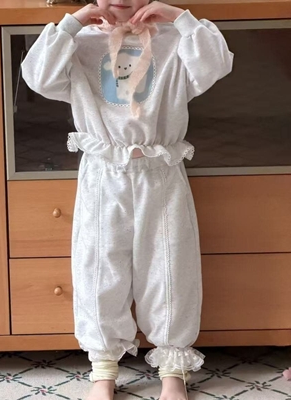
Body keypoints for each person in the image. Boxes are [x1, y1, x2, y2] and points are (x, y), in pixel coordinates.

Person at [22, 0, 233, 398]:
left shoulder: (174, 40)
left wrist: (179, 17)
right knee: (99, 267)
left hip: (161, 171)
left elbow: (215, 64)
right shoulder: (80, 43)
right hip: (103, 175)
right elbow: (38, 76)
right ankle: (103, 368)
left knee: (170, 267)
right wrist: (72, 23)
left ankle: (173, 369)